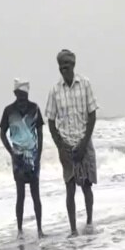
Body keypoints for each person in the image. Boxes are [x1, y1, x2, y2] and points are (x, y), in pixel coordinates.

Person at [45, 50, 99, 236]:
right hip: (66, 145)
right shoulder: (55, 90)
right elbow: (51, 121)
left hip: (84, 141)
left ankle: (90, 223)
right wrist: (60, 144)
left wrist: (84, 143)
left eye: (66, 65)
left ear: (73, 65)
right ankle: (73, 229)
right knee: (69, 187)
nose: (63, 69)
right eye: (60, 66)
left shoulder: (85, 84)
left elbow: (92, 116)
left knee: (86, 185)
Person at [0, 79, 45, 238]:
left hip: (33, 156)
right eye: (20, 96)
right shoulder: (8, 110)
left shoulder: (35, 108)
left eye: (24, 96)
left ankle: (40, 229)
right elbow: (2, 133)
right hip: (17, 158)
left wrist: (38, 155)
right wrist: (11, 152)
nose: (22, 99)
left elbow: (40, 134)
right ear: (15, 94)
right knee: (20, 195)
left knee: (35, 194)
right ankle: (19, 230)